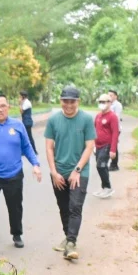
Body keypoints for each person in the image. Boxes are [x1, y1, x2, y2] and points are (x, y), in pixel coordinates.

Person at [0, 94, 42, 248]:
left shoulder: (18, 126)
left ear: (8, 107)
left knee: (15, 207)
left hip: (14, 175)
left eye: (2, 106)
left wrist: (35, 165)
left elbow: (27, 147)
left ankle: (17, 234)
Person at [44, 85, 96, 260]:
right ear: (61, 101)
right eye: (65, 101)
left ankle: (71, 243)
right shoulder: (53, 120)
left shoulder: (86, 119)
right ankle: (68, 237)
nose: (68, 105)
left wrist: (77, 170)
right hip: (59, 172)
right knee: (64, 207)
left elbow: (89, 146)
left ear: (78, 101)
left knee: (75, 207)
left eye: (72, 101)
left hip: (80, 172)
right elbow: (49, 147)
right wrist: (53, 172)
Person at [93, 93, 119, 198]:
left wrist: (113, 150)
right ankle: (104, 187)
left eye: (103, 102)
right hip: (98, 145)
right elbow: (94, 130)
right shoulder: (98, 116)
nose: (101, 104)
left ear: (109, 103)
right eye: (100, 102)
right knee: (101, 167)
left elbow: (115, 133)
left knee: (101, 166)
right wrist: (93, 145)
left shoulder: (112, 117)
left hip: (107, 145)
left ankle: (108, 187)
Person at [108, 89, 123, 171]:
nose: (109, 96)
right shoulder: (109, 104)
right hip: (109, 128)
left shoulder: (117, 105)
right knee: (111, 145)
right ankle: (113, 163)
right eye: (108, 95)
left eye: (111, 95)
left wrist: (115, 132)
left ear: (115, 96)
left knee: (113, 146)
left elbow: (116, 118)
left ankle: (114, 164)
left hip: (115, 128)